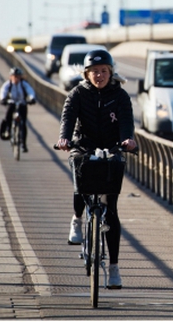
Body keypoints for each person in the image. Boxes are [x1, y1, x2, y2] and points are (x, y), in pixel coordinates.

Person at [56, 50, 136, 289]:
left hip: (111, 147)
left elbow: (126, 122)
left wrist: (128, 140)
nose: (99, 75)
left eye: (103, 71)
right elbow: (68, 118)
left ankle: (114, 268)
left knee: (111, 209)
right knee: (81, 181)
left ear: (110, 73)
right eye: (94, 72)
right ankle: (77, 219)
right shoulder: (78, 93)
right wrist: (64, 139)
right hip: (84, 145)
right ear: (86, 74)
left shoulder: (120, 95)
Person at [0, 67, 36, 150]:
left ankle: (23, 143)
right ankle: (8, 130)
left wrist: (32, 98)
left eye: (18, 76)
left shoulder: (23, 84)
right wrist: (3, 99)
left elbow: (30, 90)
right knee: (8, 116)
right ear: (11, 77)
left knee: (23, 123)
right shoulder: (8, 84)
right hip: (11, 103)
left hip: (22, 103)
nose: (16, 78)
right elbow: (3, 91)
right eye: (14, 76)